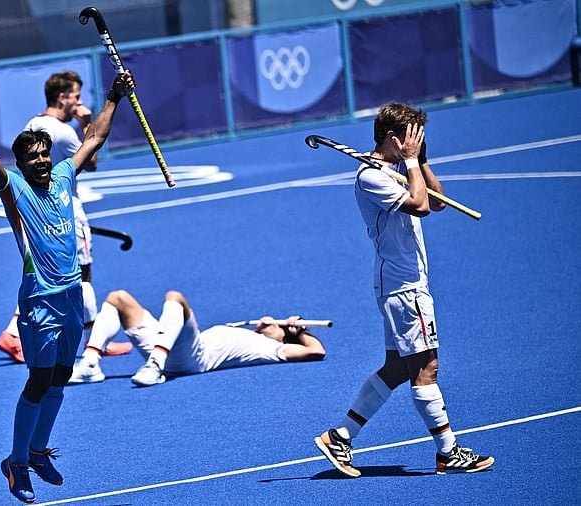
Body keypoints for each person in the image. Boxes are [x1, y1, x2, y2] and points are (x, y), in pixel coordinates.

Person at [0, 70, 135, 504]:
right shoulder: (16, 191)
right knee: (38, 380)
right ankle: (16, 462)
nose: (42, 161)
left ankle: (37, 450)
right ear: (23, 164)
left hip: (69, 300)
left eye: (45, 154)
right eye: (34, 158)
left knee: (62, 377)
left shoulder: (64, 177)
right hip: (39, 302)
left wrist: (114, 98)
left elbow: (94, 140)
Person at [313, 103, 494, 478]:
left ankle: (340, 437)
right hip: (404, 288)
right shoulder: (371, 178)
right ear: (395, 139)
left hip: (403, 285)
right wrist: (410, 164)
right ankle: (448, 452)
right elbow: (421, 206)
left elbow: (439, 201)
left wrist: (420, 161)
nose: (418, 142)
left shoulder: (394, 171)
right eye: (414, 137)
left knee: (397, 367)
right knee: (427, 366)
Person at [0, 70, 132, 363]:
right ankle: (95, 342)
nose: (79, 102)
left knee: (46, 274)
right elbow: (91, 160)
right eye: (76, 97)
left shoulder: (33, 124)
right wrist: (85, 122)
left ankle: (17, 333)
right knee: (81, 276)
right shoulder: (64, 131)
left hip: (38, 210)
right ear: (62, 97)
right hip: (68, 210)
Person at [69, 289, 326, 387]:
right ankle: (90, 364)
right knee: (118, 298)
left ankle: (155, 366)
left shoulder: (273, 349)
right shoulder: (253, 335)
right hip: (170, 347)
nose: (272, 321)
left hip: (191, 359)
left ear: (283, 337)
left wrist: (301, 330)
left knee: (175, 298)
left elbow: (317, 352)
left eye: (281, 325)